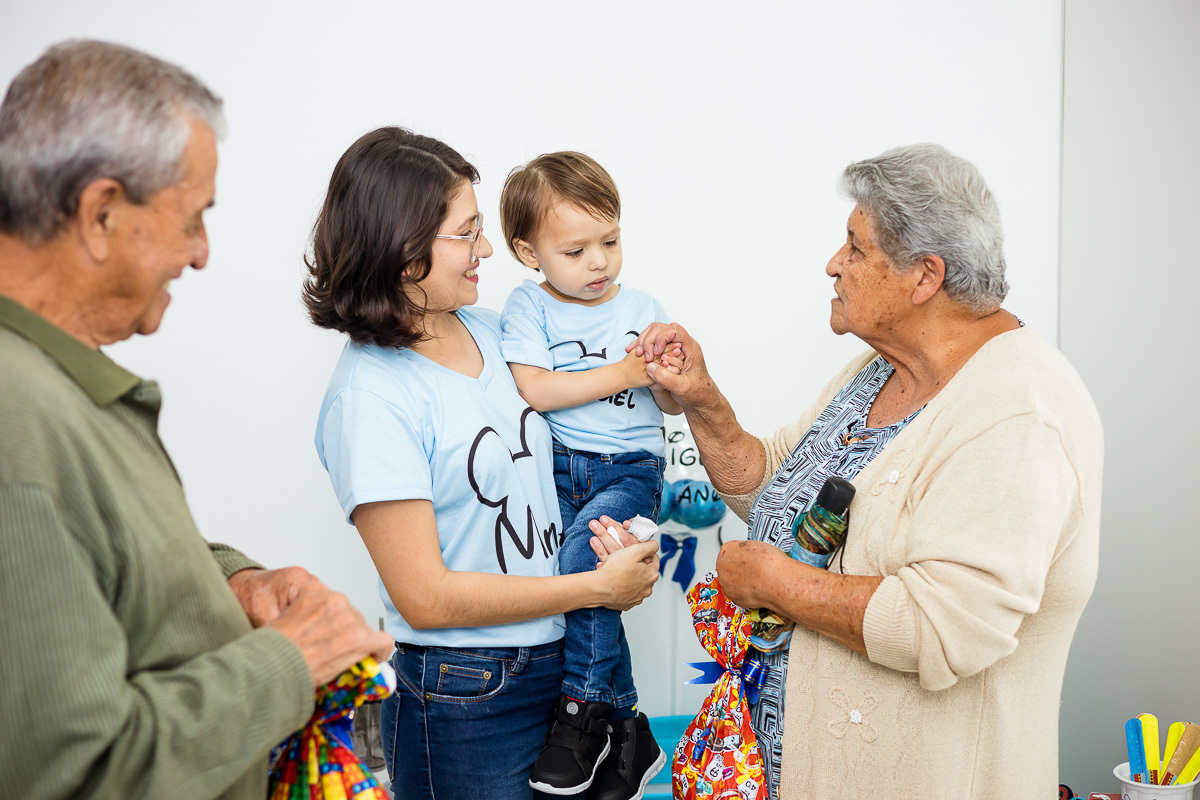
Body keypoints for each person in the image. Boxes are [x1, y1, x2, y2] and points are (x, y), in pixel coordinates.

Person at [623, 144, 1103, 799]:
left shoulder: (1018, 414)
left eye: (855, 247)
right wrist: (701, 398)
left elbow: (946, 625)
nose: (833, 263)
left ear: (924, 277)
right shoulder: (883, 370)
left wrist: (777, 584)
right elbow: (776, 488)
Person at [0, 41, 393, 800]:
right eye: (193, 218)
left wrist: (232, 582)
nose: (202, 254)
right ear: (101, 213)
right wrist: (291, 660)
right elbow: (73, 774)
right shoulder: (17, 424)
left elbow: (99, 562)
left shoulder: (54, 385)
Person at [304, 128, 662, 800]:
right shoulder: (370, 399)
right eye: (467, 232)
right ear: (405, 250)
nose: (488, 249)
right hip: (467, 698)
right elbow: (426, 597)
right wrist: (593, 589)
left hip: (563, 673)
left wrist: (620, 528)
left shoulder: (499, 332)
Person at [498, 151, 681, 799]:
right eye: (575, 251)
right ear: (529, 253)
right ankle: (630, 728)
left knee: (586, 564)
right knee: (576, 581)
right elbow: (536, 390)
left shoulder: (643, 306)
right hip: (556, 469)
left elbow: (668, 404)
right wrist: (624, 373)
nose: (599, 262)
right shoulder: (527, 307)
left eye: (610, 241)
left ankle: (580, 713)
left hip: (629, 469)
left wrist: (669, 375)